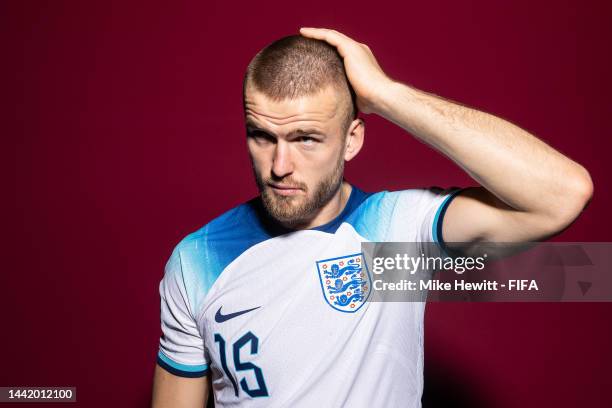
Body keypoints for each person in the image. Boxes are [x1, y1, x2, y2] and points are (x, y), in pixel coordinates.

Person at [151, 28, 593, 407]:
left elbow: (561, 195)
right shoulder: (197, 261)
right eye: (263, 136)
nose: (280, 165)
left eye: (306, 138)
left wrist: (385, 94)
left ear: (351, 140)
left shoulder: (397, 231)